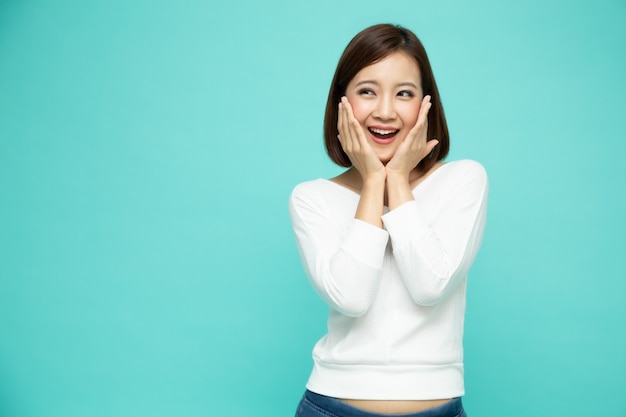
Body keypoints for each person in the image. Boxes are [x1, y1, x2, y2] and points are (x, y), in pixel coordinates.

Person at [289, 24, 488, 417]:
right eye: (367, 91)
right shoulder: (311, 197)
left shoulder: (463, 179)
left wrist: (396, 178)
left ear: (426, 104)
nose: (384, 110)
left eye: (404, 94)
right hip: (331, 407)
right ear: (341, 103)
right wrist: (373, 180)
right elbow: (351, 297)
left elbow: (429, 285)